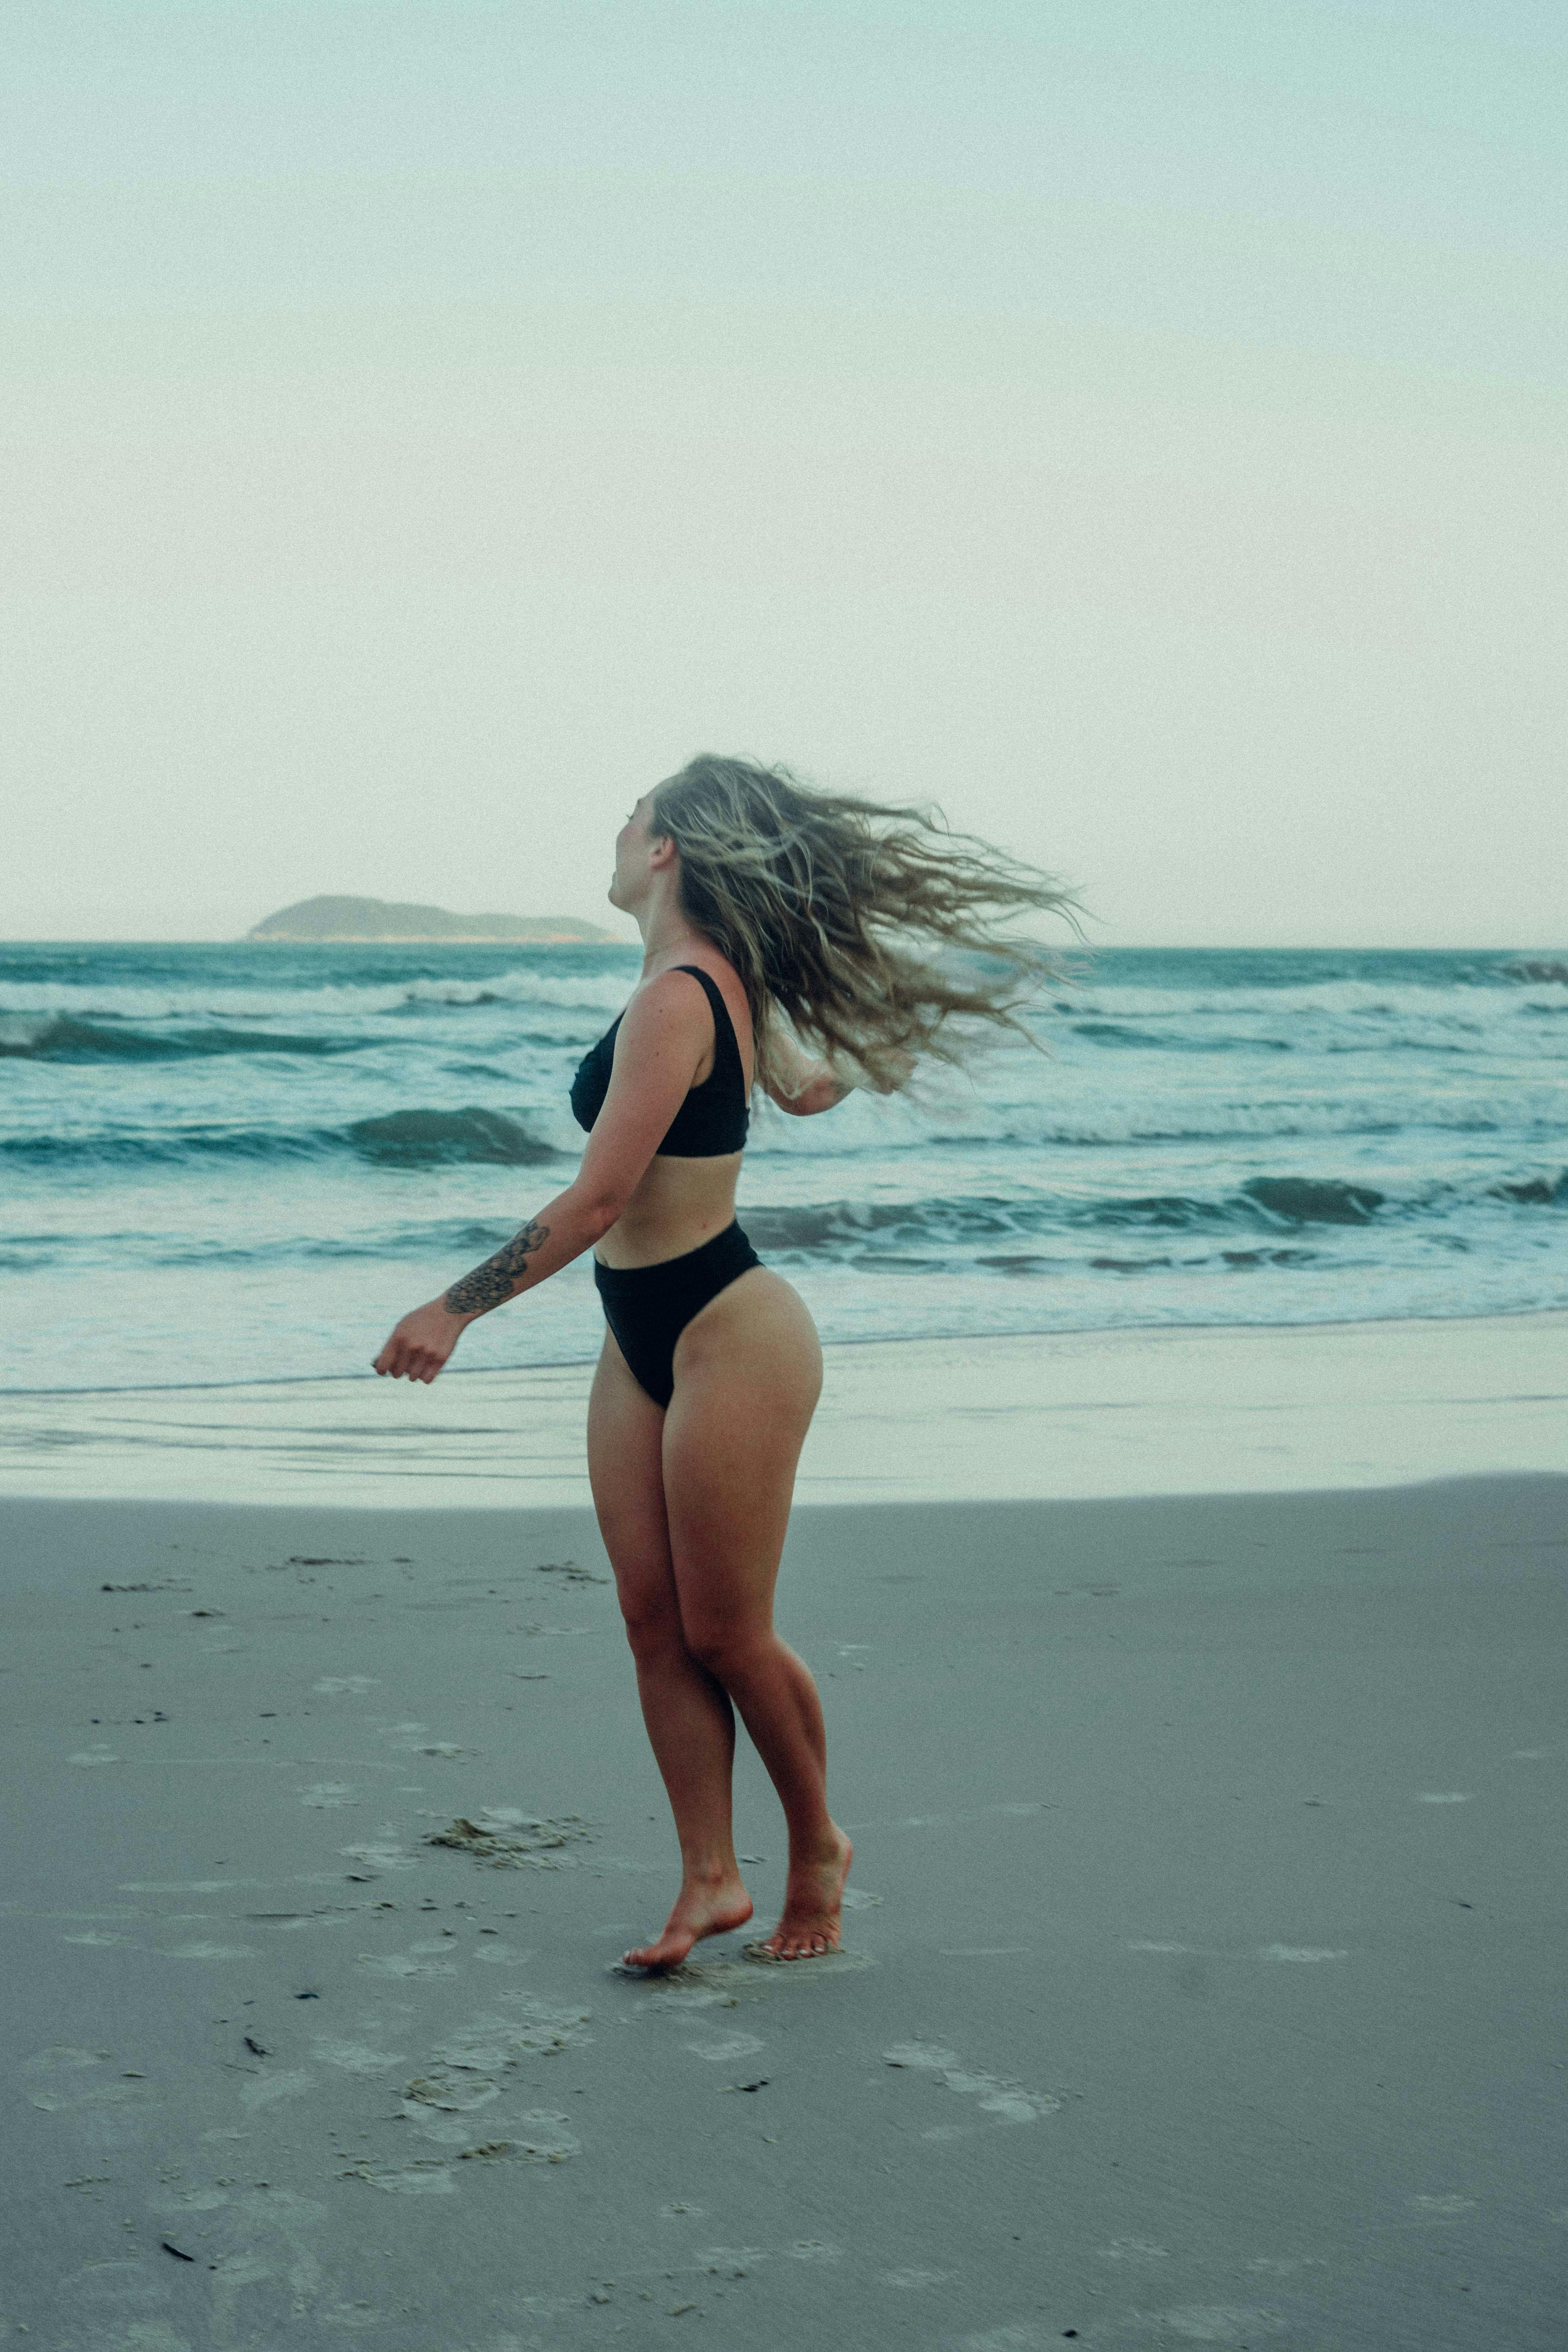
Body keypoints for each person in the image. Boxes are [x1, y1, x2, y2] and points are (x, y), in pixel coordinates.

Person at [374, 755, 1074, 1968]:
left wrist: (455, 1306)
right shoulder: (697, 985)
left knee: (728, 1630)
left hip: (729, 1326)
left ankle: (818, 1847)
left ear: (666, 849)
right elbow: (799, 1091)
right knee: (656, 1623)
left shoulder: (679, 995)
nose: (616, 821)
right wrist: (852, 1052)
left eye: (631, 809)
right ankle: (709, 1878)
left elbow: (601, 1199)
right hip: (637, 1334)